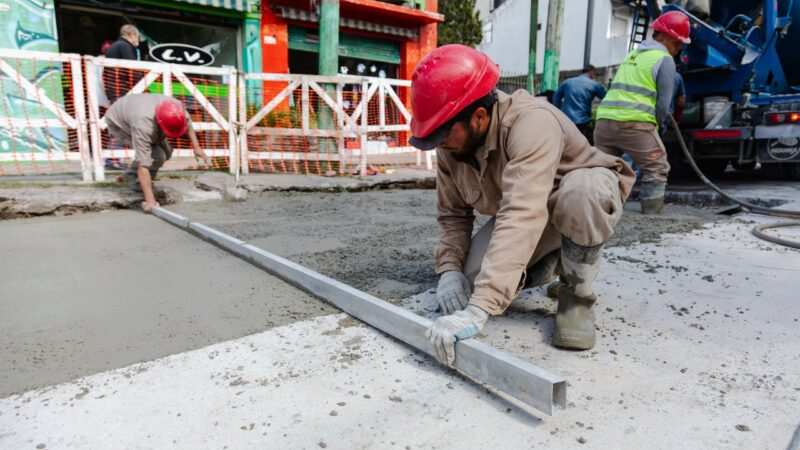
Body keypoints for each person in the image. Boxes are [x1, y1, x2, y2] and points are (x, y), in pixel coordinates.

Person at [408, 45, 635, 366]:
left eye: (443, 134)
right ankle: (550, 260)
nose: (439, 144)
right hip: (532, 212)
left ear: (479, 117)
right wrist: (449, 271)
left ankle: (576, 296)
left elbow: (521, 212)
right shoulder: (451, 146)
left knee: (583, 193)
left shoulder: (531, 123)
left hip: (574, 200)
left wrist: (481, 308)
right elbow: (453, 214)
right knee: (470, 281)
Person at [593, 11, 691, 214]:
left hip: (604, 123)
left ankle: (598, 210)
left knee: (604, 169)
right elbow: (664, 104)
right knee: (657, 167)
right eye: (677, 42)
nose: (679, 47)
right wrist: (656, 124)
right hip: (634, 123)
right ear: (663, 36)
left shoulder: (633, 55)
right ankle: (651, 215)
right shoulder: (664, 59)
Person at [105, 94, 209, 213]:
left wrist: (196, 147)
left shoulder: (178, 109)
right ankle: (138, 185)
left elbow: (188, 124)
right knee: (157, 156)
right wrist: (150, 202)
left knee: (168, 152)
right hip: (119, 122)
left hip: (141, 111)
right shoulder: (143, 125)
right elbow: (143, 165)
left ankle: (129, 175)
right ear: (159, 123)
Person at [552, 65, 607, 143]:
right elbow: (606, 98)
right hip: (583, 122)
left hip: (566, 121)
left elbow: (556, 98)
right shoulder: (594, 85)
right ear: (591, 72)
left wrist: (559, 113)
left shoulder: (567, 82)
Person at [104, 24, 141, 103]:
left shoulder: (116, 45)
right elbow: (133, 68)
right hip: (121, 90)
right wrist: (143, 82)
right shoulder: (124, 46)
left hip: (114, 89)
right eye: (137, 37)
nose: (138, 40)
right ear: (131, 34)